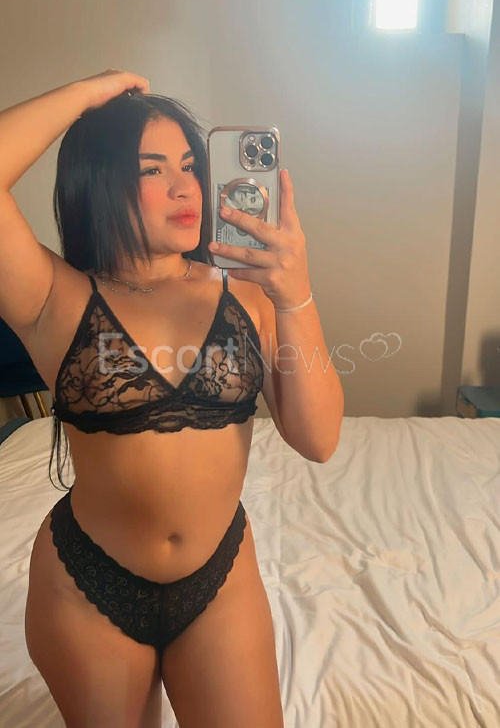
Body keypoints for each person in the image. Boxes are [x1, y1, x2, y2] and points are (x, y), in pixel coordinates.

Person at [0, 69, 342, 727]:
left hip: (220, 580)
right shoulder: (53, 296)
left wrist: (295, 291)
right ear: (99, 180)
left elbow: (319, 439)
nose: (185, 186)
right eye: (151, 169)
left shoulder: (249, 292)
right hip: (87, 588)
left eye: (189, 165)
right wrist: (94, 93)